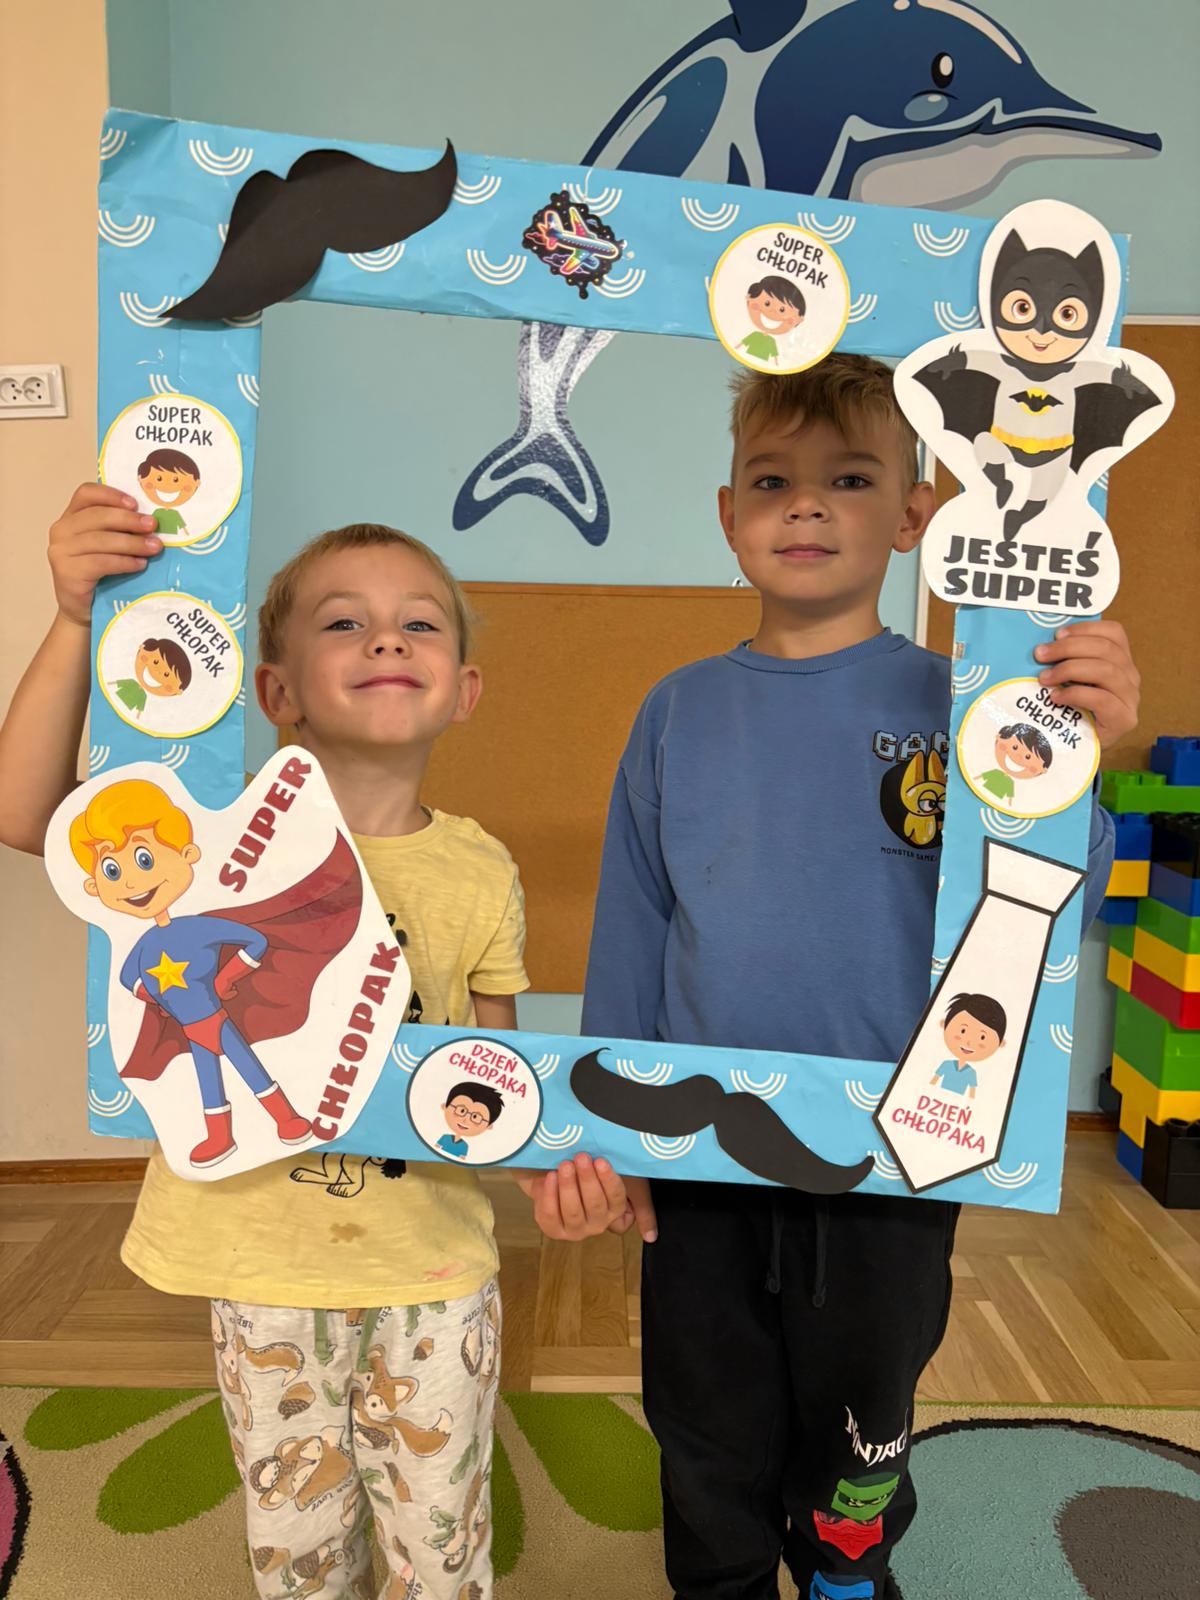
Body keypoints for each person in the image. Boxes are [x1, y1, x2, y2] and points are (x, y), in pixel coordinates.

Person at [0, 487, 647, 1600]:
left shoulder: (480, 868)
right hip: (261, 1265)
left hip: (432, 1267)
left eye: (419, 623)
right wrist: (73, 617)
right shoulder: (201, 845)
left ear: (465, 690)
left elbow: (489, 1079)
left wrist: (556, 1178)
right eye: (344, 621)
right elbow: (27, 816)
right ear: (277, 690)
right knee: (297, 1548)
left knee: (441, 1547)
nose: (386, 638)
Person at [581, 353, 1139, 1600]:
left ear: (913, 512)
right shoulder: (677, 710)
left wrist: (1079, 756)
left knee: (862, 1421)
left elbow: (1052, 901)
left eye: (848, 479)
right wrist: (608, 1121)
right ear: (727, 514)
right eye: (771, 480)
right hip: (703, 1149)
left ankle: (844, 1573)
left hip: (896, 1147)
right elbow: (635, 921)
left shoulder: (969, 701)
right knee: (705, 1418)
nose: (806, 505)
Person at [930, 993, 1008, 1101]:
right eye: (963, 1031)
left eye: (982, 1037)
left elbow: (972, 1096)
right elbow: (932, 1083)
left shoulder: (971, 1073)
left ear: (1000, 1043)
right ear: (944, 1024)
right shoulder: (946, 1065)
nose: (969, 1042)